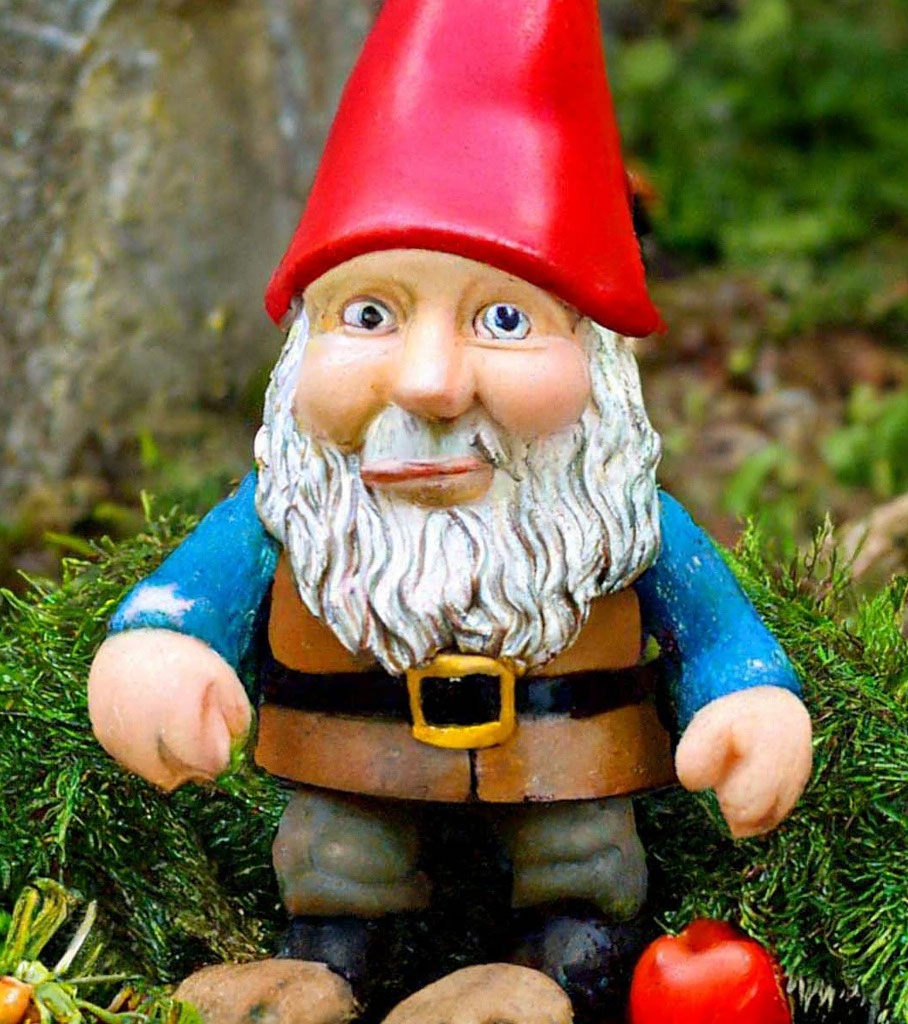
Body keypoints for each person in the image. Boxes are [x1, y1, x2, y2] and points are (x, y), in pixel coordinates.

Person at [88, 1, 812, 1020]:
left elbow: (717, 628)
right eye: (370, 314)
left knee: (584, 862)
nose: (428, 382)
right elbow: (191, 597)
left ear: (596, 361)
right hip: (349, 765)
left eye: (503, 319)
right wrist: (160, 649)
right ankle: (329, 968)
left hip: (568, 767)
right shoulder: (297, 505)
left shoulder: (618, 516)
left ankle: (558, 974)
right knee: (337, 855)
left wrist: (746, 700)